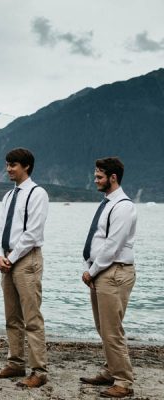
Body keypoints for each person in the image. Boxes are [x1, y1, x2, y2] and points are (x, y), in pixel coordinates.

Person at [0, 148, 49, 388]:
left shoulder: (37, 193)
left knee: (32, 318)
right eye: (7, 164)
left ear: (26, 167)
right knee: (11, 316)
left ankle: (39, 370)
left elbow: (33, 232)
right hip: (7, 259)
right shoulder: (8, 196)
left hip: (26, 260)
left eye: (13, 164)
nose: (8, 169)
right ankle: (15, 362)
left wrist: (11, 258)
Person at [80, 157, 136, 399]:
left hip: (114, 272)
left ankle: (123, 382)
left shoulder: (123, 206)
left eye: (100, 177)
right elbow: (98, 239)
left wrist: (91, 272)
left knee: (112, 330)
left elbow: (112, 246)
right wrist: (89, 266)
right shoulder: (107, 203)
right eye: (95, 175)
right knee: (103, 327)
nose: (96, 180)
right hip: (102, 272)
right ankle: (110, 370)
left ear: (113, 178)